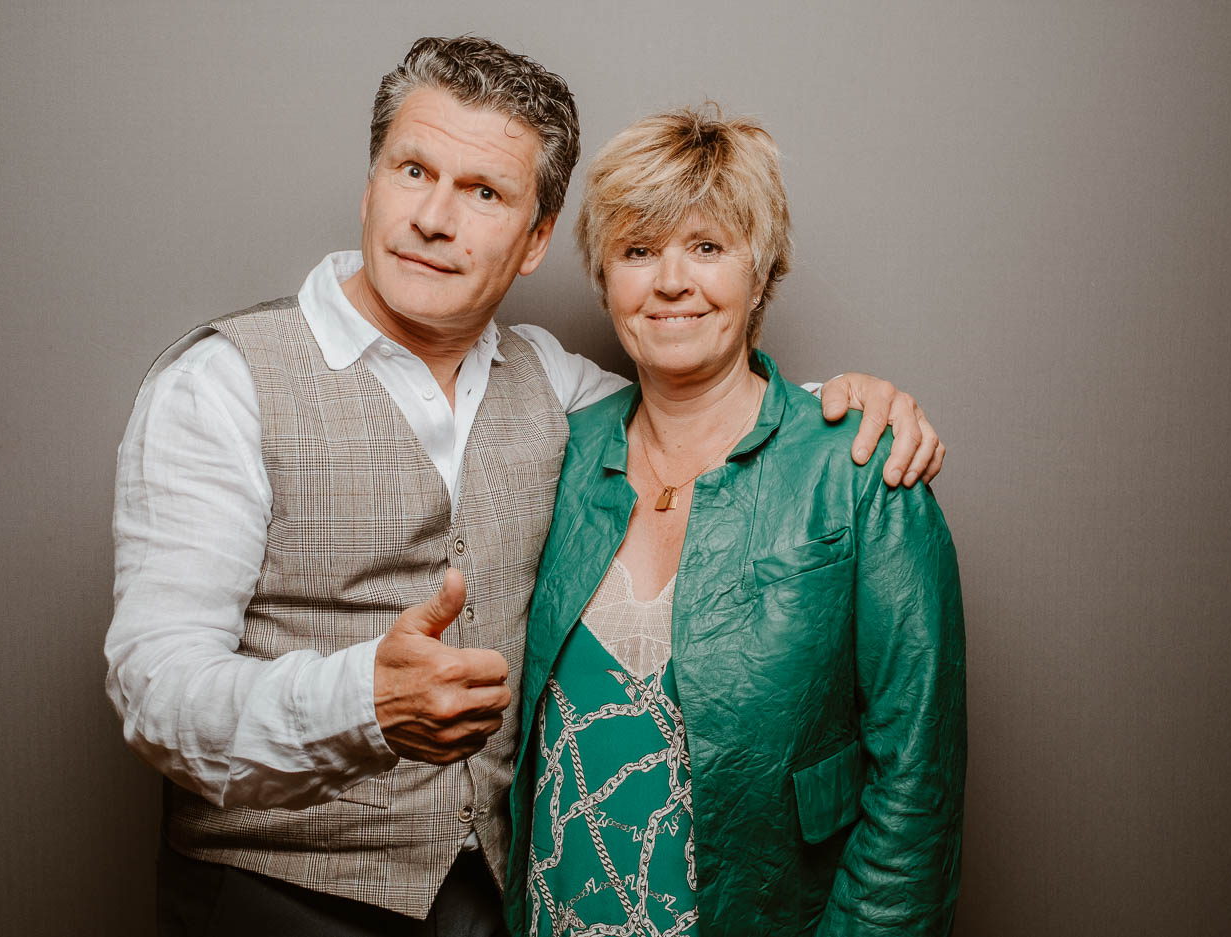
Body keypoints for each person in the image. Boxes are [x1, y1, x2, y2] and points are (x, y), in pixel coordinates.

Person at [106, 37, 946, 935]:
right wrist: (364, 702)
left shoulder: (548, 382)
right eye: (413, 169)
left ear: (537, 237)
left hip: (496, 901)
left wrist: (844, 410)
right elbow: (157, 688)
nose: (435, 218)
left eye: (484, 193)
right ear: (370, 183)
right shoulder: (223, 384)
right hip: (275, 900)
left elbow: (697, 403)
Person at [504, 107, 965, 937]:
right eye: (638, 250)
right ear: (606, 276)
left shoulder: (861, 470)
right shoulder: (558, 459)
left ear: (762, 272)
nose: (671, 281)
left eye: (707, 247)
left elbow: (915, 787)